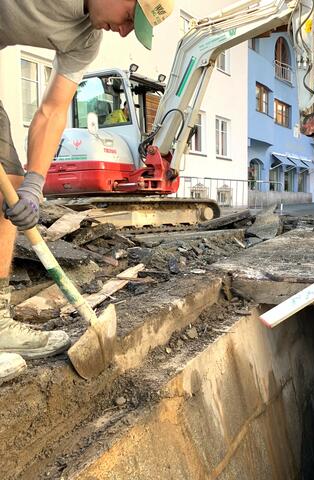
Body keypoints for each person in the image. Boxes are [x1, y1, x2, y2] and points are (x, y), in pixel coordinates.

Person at [0, 0, 174, 385]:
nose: (126, 31)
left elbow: (52, 110)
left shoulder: (87, 40)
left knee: (8, 183)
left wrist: (34, 182)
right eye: (130, 17)